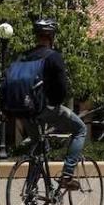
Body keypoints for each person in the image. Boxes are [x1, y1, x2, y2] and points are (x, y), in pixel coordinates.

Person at [23, 18, 86, 191]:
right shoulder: (53, 57)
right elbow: (62, 88)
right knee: (80, 129)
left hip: (25, 110)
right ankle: (67, 175)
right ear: (52, 37)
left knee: (39, 146)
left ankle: (30, 191)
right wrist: (56, 103)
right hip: (46, 107)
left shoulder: (25, 56)